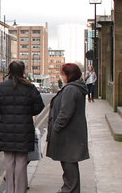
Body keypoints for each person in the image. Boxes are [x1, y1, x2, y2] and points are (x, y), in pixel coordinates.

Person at [0, 60, 45, 193]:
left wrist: (3, 112)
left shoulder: (1, 86)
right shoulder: (29, 87)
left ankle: (10, 190)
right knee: (21, 161)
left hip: (6, 128)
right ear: (22, 70)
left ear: (10, 70)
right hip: (25, 128)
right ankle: (20, 190)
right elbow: (39, 106)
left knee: (9, 161)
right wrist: (28, 112)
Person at [46, 62, 90, 193]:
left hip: (68, 134)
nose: (61, 76)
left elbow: (65, 113)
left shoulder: (71, 89)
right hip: (71, 133)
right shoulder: (74, 88)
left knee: (69, 163)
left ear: (68, 75)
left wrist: (56, 128)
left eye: (63, 74)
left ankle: (69, 189)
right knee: (68, 163)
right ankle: (69, 188)